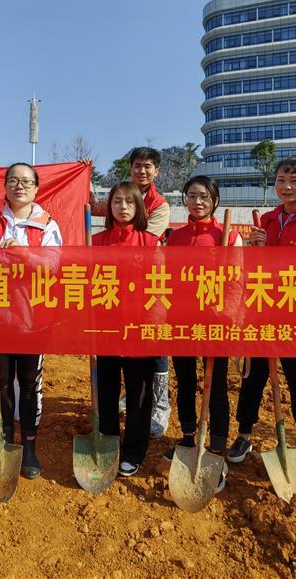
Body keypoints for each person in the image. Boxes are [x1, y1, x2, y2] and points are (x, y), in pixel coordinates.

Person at [228, 158, 296, 480]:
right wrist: (258, 248)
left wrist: (272, 251)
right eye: (281, 180)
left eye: (294, 180)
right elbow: (255, 269)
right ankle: (244, 434)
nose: (286, 186)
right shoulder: (267, 220)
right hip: (262, 312)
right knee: (253, 377)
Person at [0, 162, 62, 479]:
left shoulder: (47, 224)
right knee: (2, 382)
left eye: (26, 181)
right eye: (13, 180)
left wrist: (23, 254)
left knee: (30, 384)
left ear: (36, 188)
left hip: (34, 317)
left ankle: (30, 447)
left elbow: (54, 265)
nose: (19, 186)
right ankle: (5, 440)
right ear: (5, 186)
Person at [163, 175, 240, 493]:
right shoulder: (176, 237)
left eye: (204, 196)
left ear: (215, 201)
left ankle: (217, 442)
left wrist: (228, 311)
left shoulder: (227, 235)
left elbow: (237, 278)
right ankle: (187, 437)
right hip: (182, 319)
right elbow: (167, 277)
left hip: (215, 320)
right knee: (184, 381)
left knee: (215, 383)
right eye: (192, 195)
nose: (197, 202)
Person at [91, 147, 172, 438]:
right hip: (114, 300)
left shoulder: (159, 205)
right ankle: (112, 424)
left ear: (156, 171)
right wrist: (84, 180)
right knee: (111, 366)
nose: (142, 171)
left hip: (141, 291)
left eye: (147, 166)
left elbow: (146, 238)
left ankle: (159, 405)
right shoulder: (117, 198)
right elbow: (94, 207)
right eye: (137, 165)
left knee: (153, 357)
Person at [93, 181, 160, 477]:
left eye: (129, 202)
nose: (122, 207)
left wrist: (153, 324)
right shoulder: (96, 242)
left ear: (139, 207)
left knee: (139, 394)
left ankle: (133, 451)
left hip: (140, 331)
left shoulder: (151, 243)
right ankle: (108, 442)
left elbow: (160, 288)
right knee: (106, 390)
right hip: (106, 330)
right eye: (117, 201)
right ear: (109, 207)